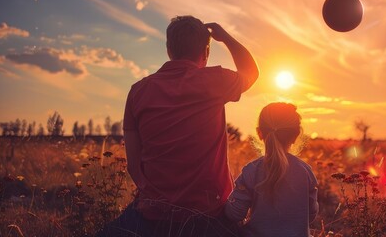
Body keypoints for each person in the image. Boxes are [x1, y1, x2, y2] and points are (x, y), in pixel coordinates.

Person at [97, 15, 258, 236]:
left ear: (169, 49)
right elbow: (252, 73)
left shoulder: (138, 91)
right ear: (206, 52)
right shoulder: (214, 80)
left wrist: (157, 200)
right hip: (209, 216)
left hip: (151, 215)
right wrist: (227, 38)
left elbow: (134, 166)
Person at [225, 103, 319, 237]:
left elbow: (234, 213)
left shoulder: (251, 171)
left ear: (259, 133)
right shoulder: (305, 172)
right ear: (296, 134)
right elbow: (311, 214)